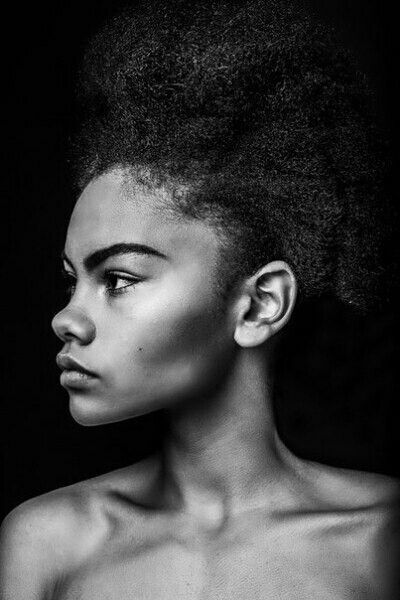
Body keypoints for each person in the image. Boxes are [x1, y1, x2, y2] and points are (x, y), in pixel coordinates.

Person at [1, 1, 398, 598]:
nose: (65, 319)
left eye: (119, 280)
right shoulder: (46, 544)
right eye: (70, 280)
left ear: (260, 305)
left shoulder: (381, 543)